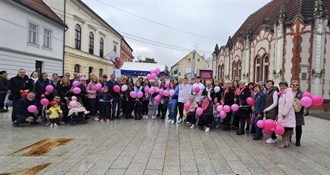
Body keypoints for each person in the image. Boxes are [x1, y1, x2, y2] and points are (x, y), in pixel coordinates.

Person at [277, 81, 296, 148]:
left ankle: (284, 142)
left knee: (285, 129)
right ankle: (286, 142)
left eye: (283, 86)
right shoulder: (283, 93)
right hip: (283, 114)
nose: (282, 87)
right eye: (280, 86)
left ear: (286, 86)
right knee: (284, 128)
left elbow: (289, 104)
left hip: (286, 115)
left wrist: (285, 113)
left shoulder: (288, 93)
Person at [290, 80, 307, 146]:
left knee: (298, 126)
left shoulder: (302, 93)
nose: (294, 86)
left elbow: (306, 102)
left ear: (298, 86)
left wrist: (305, 109)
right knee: (289, 126)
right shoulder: (288, 92)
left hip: (298, 111)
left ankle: (298, 140)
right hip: (290, 111)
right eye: (293, 85)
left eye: (296, 85)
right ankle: (289, 138)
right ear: (291, 85)